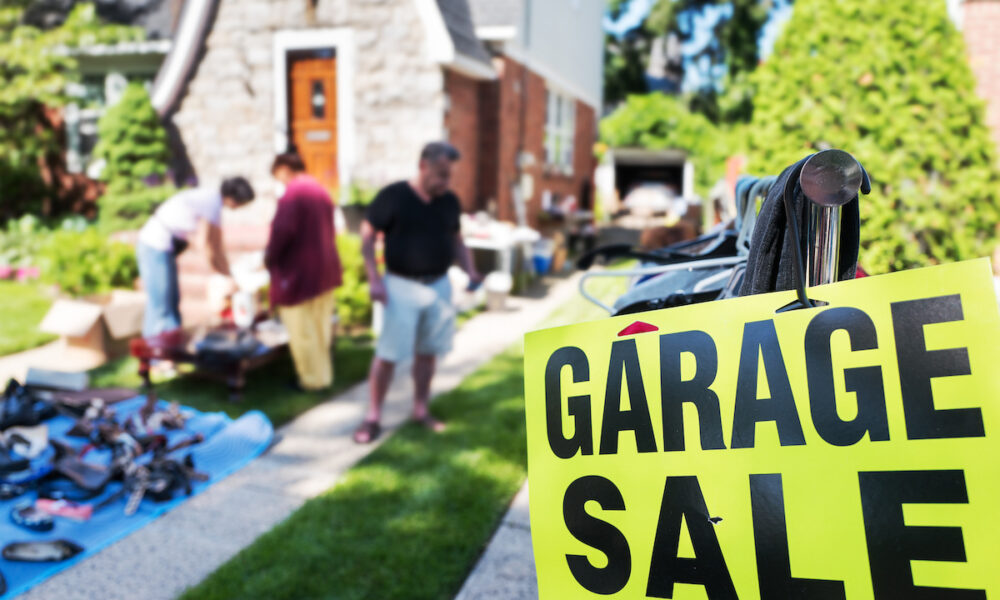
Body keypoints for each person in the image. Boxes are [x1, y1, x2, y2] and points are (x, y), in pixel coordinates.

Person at [353, 141, 482, 444]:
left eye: (449, 176)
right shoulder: (394, 196)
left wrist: (470, 268)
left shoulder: (449, 201)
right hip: (400, 286)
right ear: (423, 165)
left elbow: (456, 241)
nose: (445, 182)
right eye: (440, 174)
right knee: (388, 355)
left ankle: (420, 410)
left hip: (438, 285)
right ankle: (373, 416)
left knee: (427, 355)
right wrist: (374, 278)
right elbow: (368, 235)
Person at [137, 178, 255, 338]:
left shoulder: (213, 202)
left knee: (172, 301)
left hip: (166, 249)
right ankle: (154, 353)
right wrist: (218, 275)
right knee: (161, 304)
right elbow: (206, 244)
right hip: (154, 245)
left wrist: (229, 276)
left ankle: (172, 347)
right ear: (234, 198)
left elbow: (217, 246)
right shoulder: (211, 201)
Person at [265, 153, 343, 392]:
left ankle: (311, 380)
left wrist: (269, 259)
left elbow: (282, 232)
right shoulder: (320, 190)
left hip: (299, 271)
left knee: (302, 331)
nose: (279, 181)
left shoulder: (293, 194)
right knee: (320, 327)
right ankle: (324, 376)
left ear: (285, 168)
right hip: (325, 269)